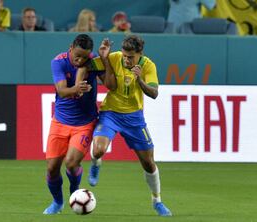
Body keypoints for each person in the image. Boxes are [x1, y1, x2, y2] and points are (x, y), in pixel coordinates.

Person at [86, 36, 173, 216]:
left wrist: (139, 80)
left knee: (148, 163)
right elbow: (87, 65)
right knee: (99, 149)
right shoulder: (115, 57)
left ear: (140, 54)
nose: (126, 59)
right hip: (110, 113)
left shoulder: (148, 66)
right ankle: (96, 163)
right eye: (125, 56)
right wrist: (100, 59)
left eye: (130, 57)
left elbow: (154, 93)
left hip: (134, 118)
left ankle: (157, 201)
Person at [43, 34, 105, 215]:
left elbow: (110, 83)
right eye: (77, 55)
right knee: (52, 168)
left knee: (70, 163)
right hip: (60, 121)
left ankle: (74, 193)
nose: (80, 60)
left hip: (85, 123)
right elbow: (62, 91)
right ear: (71, 48)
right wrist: (77, 89)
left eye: (85, 57)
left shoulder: (94, 61)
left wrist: (105, 61)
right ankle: (58, 203)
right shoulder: (59, 62)